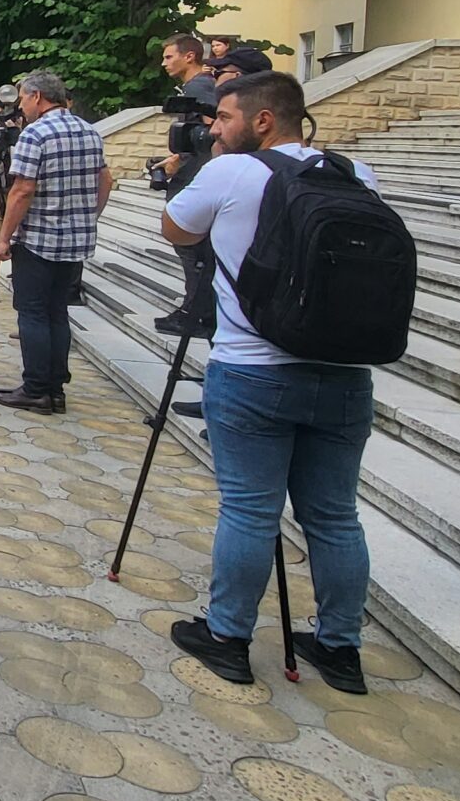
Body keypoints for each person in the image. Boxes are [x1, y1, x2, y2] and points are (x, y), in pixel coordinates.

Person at [161, 70, 380, 693]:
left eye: (224, 117)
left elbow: (176, 228)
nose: (214, 127)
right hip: (343, 371)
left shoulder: (231, 172)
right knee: (336, 517)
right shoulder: (352, 173)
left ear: (263, 120)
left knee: (252, 509)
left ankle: (228, 636)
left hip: (253, 366)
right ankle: (339, 647)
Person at [0, 71, 109, 415]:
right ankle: (56, 387)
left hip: (39, 239)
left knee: (32, 312)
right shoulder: (89, 131)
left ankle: (36, 388)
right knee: (58, 311)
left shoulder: (36, 134)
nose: (22, 106)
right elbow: (106, 180)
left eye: (23, 98)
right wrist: (89, 216)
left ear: (38, 97)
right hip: (75, 240)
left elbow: (22, 190)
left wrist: (4, 238)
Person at [153, 33, 223, 338]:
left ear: (189, 56)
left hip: (195, 176)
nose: (164, 63)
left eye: (169, 56)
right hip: (192, 171)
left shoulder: (199, 88)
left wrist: (178, 160)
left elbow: (209, 133)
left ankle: (197, 312)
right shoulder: (197, 87)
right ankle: (196, 309)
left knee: (192, 249)